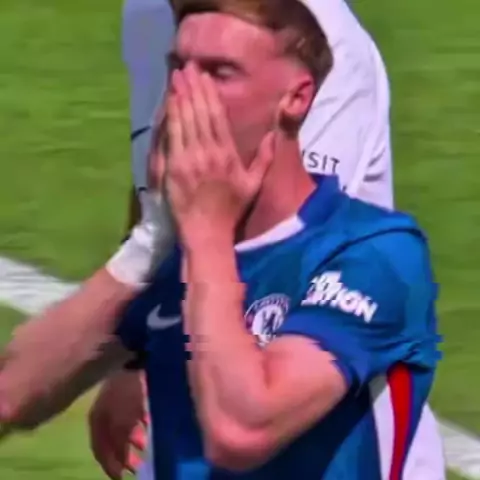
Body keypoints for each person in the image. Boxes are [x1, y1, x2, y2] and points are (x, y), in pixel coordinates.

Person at [0, 0, 442, 478]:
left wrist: (202, 229)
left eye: (220, 73)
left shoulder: (377, 255)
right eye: (177, 68)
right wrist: (151, 240)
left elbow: (243, 429)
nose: (183, 95)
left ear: (297, 98)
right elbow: (9, 396)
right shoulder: (152, 15)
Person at [93, 0, 401, 477]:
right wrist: (130, 353)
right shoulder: (149, 14)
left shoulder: (317, 49)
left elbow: (279, 261)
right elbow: (160, 184)